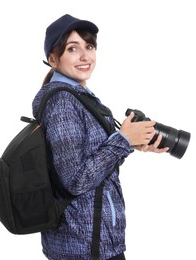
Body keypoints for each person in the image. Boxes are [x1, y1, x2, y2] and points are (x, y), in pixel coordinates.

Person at [32, 14, 168, 260]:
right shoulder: (62, 102)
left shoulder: (78, 95)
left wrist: (131, 143)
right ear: (53, 59)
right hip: (85, 246)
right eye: (73, 49)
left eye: (90, 46)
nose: (85, 56)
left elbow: (94, 166)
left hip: (96, 241)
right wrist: (123, 140)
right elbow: (76, 180)